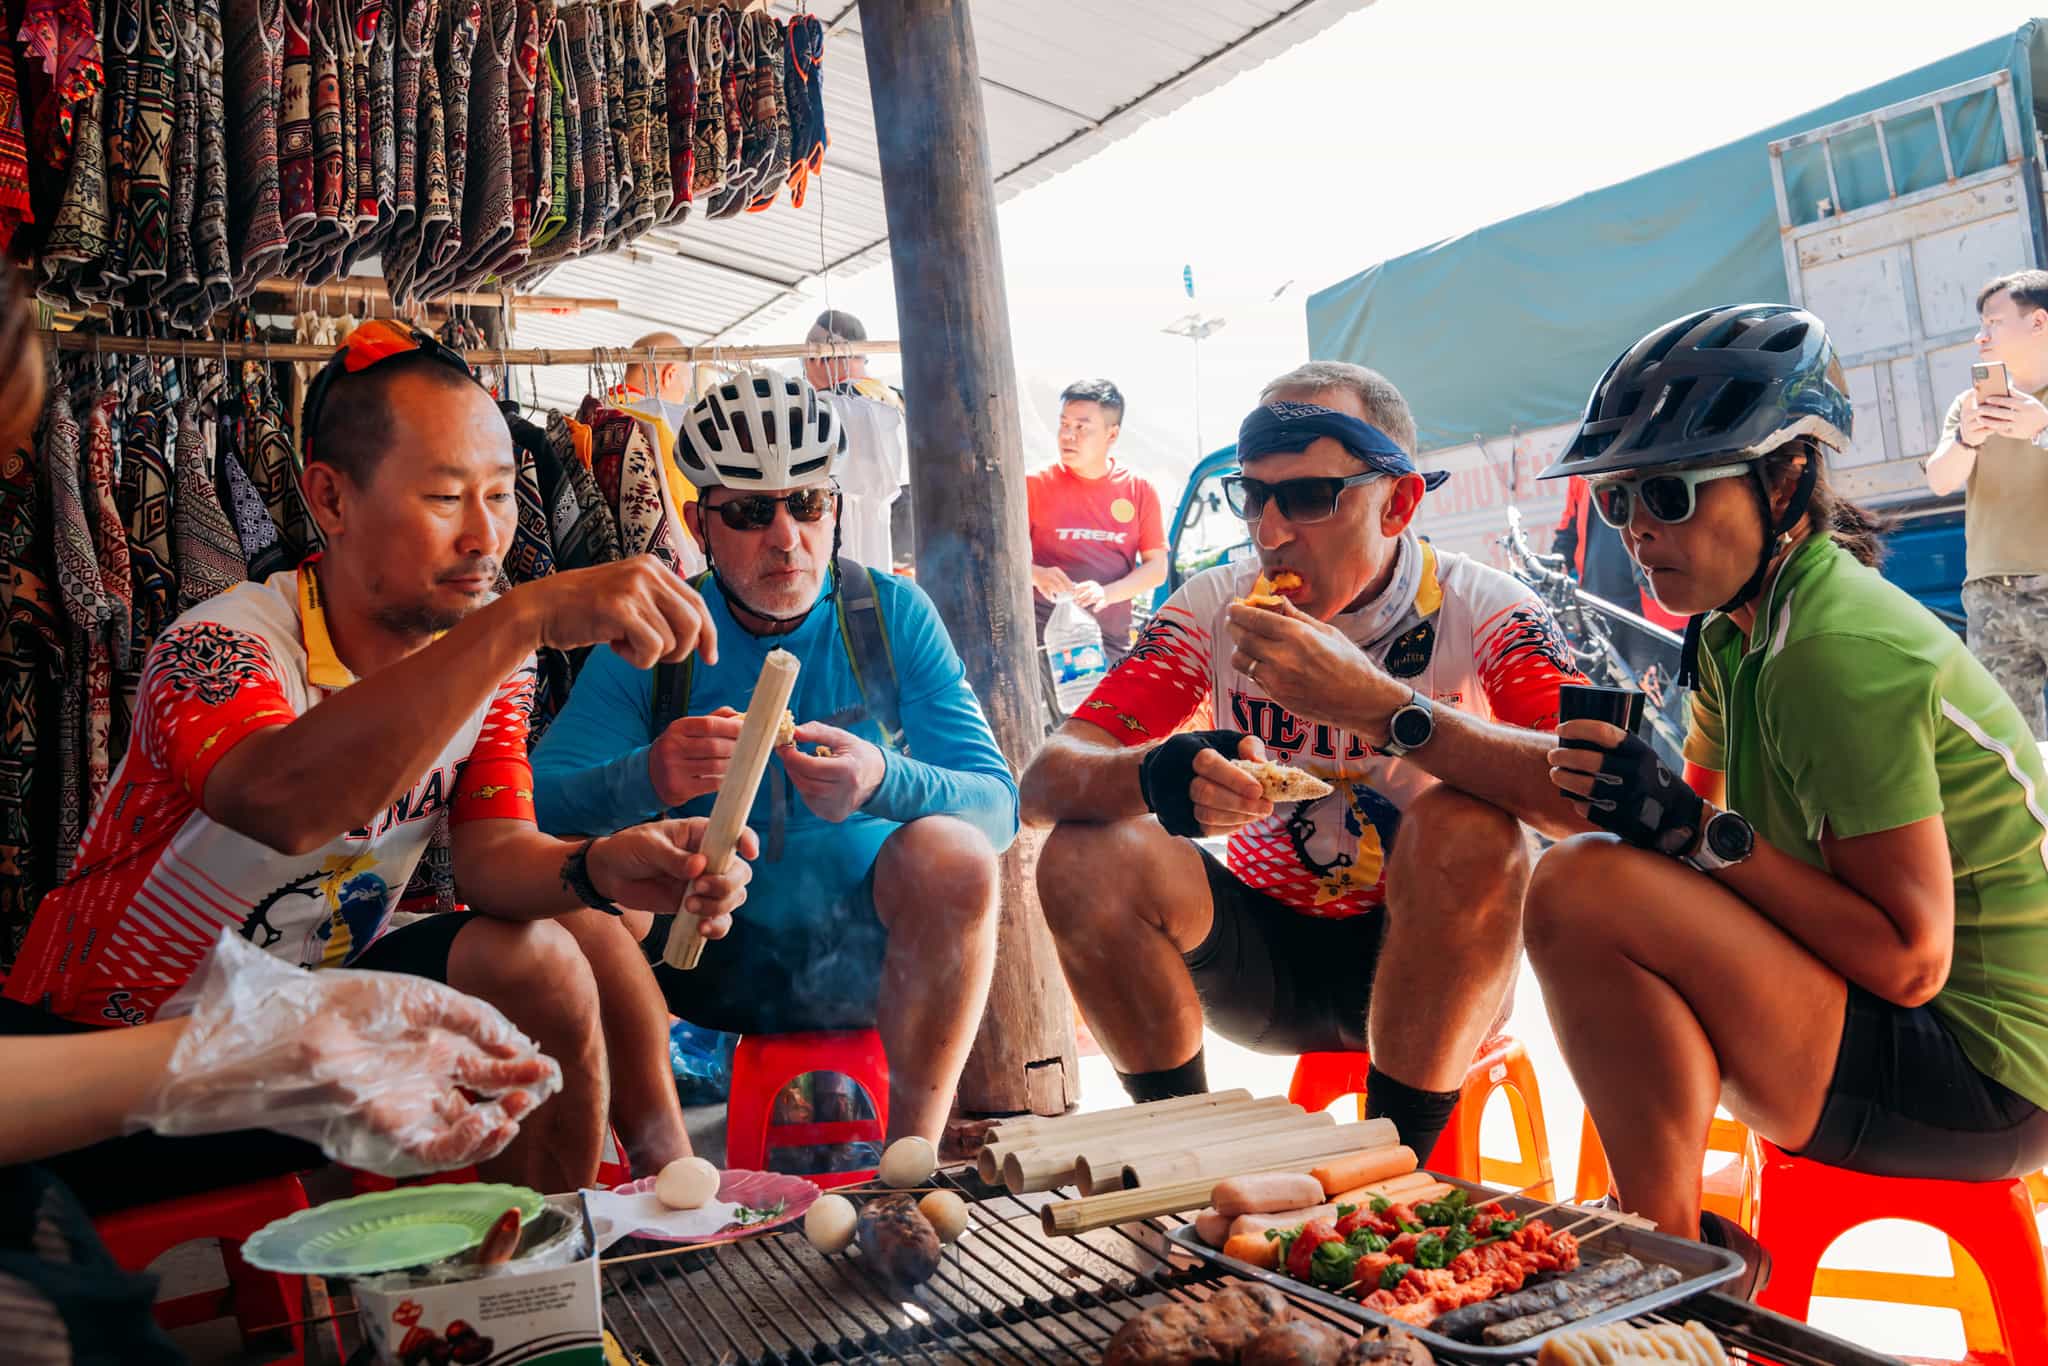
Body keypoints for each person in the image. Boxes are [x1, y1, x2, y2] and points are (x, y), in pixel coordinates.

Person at [4, 321, 753, 1193]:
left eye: (503, 494)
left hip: (302, 1050)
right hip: (102, 1087)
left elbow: (492, 857)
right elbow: (286, 804)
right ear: (330, 498)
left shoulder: (488, 668)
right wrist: (521, 620)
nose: (487, 537)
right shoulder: (221, 647)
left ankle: (563, 1264)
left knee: (563, 939)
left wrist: (606, 865)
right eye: (445, 500)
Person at [1527, 304, 2048, 1287]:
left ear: (1782, 478)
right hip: (1927, 1033)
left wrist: (1694, 831)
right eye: (1615, 501)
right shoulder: (1736, 630)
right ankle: (1670, 1238)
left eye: (1668, 492)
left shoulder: (1830, 648)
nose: (1636, 529)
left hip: (1991, 1079)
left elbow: (1905, 960)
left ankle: (1668, 1270)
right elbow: (1676, 859)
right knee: (1602, 888)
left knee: (1575, 891)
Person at [1022, 361, 1588, 1161]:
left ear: (1399, 503)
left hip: (1439, 967)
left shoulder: (1485, 609)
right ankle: (1183, 1159)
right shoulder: (1216, 607)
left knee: (1470, 826)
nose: (1269, 531)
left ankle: (1397, 1170)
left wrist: (1383, 710)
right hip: (1263, 963)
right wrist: (1159, 775)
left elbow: (1595, 798)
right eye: (1254, 495)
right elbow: (1044, 784)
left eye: (1311, 498)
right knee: (1085, 852)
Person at [530, 365, 1016, 1145]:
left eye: (809, 504)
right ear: (698, 523)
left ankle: (910, 1160)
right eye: (753, 511)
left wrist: (884, 780)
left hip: (871, 953)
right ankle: (670, 1176)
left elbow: (999, 810)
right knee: (579, 884)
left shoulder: (887, 614)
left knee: (954, 855)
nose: (787, 538)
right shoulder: (660, 635)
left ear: (836, 507)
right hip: (700, 955)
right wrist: (647, 775)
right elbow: (535, 810)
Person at [1925, 270, 2048, 738]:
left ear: (2038, 322)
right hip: (1990, 593)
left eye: (1993, 322)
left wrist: (2041, 428)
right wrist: (1965, 439)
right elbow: (1940, 480)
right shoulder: (1970, 405)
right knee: (2010, 743)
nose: (1981, 337)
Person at [1027, 379, 1166, 670]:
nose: (1068, 435)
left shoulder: (1139, 489)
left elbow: (1157, 569)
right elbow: (1000, 559)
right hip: (1043, 649)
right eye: (1064, 424)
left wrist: (1107, 593)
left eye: (1081, 427)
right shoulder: (1031, 485)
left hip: (1110, 646)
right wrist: (1037, 574)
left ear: (1111, 434)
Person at [805, 309, 910, 570]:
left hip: (860, 536)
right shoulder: (900, 396)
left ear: (819, 355)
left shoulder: (832, 405)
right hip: (914, 534)